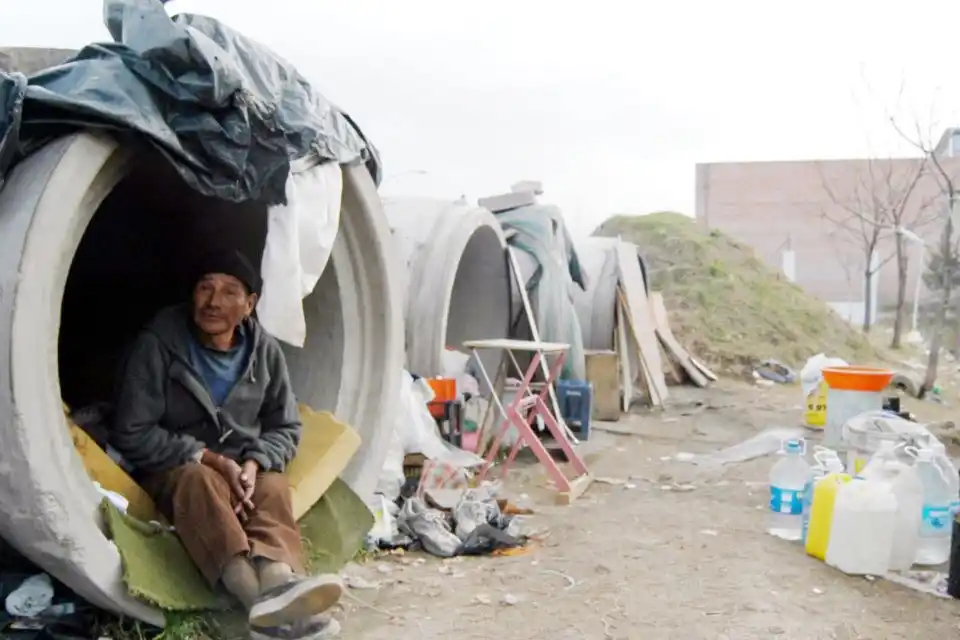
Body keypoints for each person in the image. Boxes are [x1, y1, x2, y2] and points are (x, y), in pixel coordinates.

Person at [112, 249, 340, 639]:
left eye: (230, 291)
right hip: (176, 465)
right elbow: (132, 432)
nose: (214, 302)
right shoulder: (160, 344)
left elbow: (285, 426)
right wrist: (209, 459)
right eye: (205, 288)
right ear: (192, 294)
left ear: (250, 304)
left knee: (272, 485)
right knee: (198, 481)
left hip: (241, 467)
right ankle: (257, 605)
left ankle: (280, 584)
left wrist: (253, 463)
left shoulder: (263, 350)